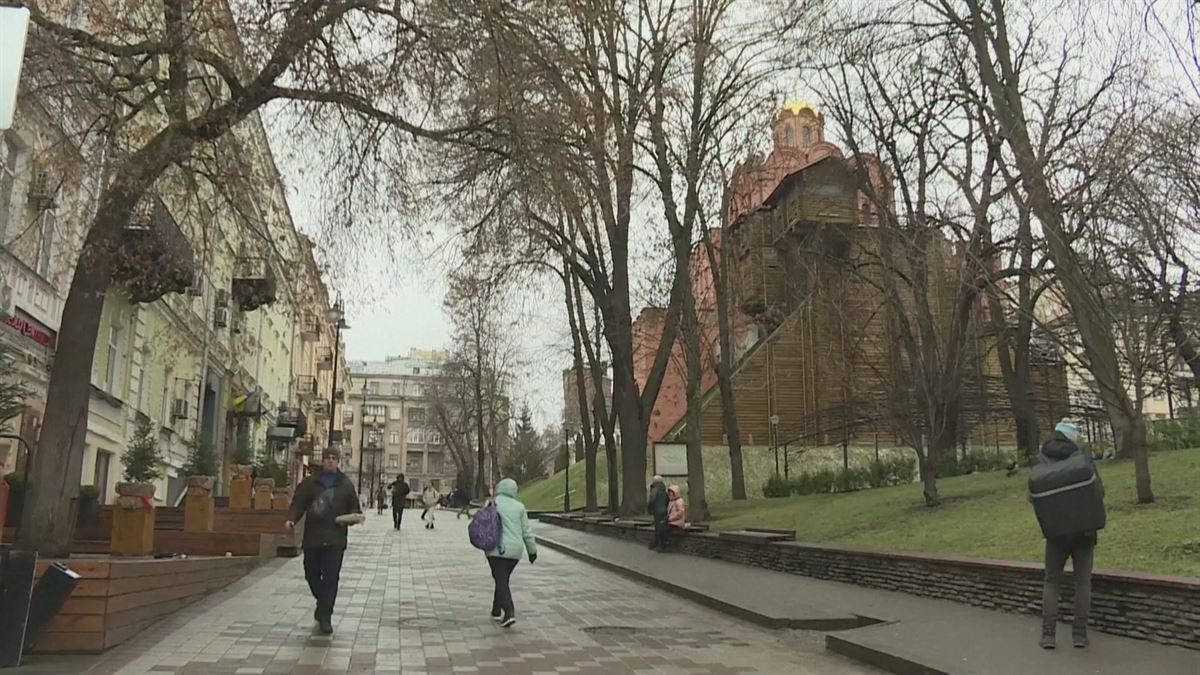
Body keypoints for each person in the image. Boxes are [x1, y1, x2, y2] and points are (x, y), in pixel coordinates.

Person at [1038, 420, 1102, 650]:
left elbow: (1034, 496)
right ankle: (1079, 636)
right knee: (1082, 582)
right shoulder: (1082, 460)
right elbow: (1098, 492)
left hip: (1055, 532)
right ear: (1073, 438)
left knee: (1052, 581)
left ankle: (1048, 635)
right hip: (1084, 531)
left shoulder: (1041, 459)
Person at [286, 448, 361, 635]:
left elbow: (355, 507)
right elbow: (298, 504)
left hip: (336, 539)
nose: (330, 462)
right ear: (323, 460)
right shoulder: (311, 483)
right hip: (313, 538)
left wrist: (352, 518)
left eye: (334, 459)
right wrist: (291, 519)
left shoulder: (345, 485)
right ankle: (323, 602)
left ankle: (325, 615)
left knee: (330, 577)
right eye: (327, 458)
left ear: (338, 462)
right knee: (311, 574)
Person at [485, 478, 537, 627]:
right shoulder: (520, 507)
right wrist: (532, 551)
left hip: (495, 549)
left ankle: (509, 611)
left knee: (500, 580)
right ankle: (496, 610)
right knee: (502, 579)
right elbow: (527, 532)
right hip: (515, 552)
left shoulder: (492, 503)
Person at [648, 475, 668, 551]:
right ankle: (660, 543)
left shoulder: (654, 489)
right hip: (664, 511)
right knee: (661, 527)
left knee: (658, 528)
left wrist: (650, 509)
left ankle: (659, 544)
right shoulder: (663, 489)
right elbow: (667, 499)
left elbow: (652, 500)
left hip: (657, 511)